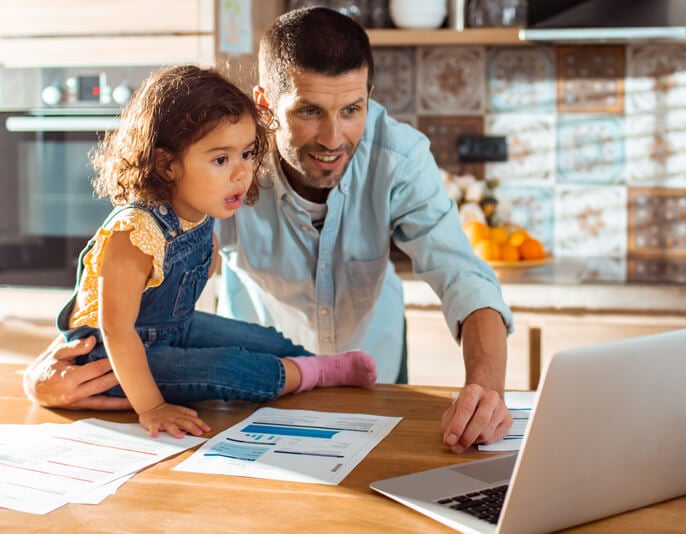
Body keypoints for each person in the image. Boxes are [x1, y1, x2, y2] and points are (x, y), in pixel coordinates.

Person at [24, 7, 513, 454]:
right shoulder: (225, 161)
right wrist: (39, 376)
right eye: (307, 111)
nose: (332, 138)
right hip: (245, 402)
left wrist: (487, 388)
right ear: (265, 104)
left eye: (352, 110)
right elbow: (115, 303)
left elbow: (462, 277)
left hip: (373, 379)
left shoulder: (400, 158)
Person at [50, 64, 376, 438]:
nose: (241, 173)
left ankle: (316, 370)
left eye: (248, 154)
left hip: (173, 330)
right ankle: (317, 373)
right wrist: (153, 407)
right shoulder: (135, 233)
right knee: (228, 369)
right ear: (166, 164)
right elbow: (116, 328)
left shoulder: (200, 207)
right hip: (111, 354)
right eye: (221, 159)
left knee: (268, 342)